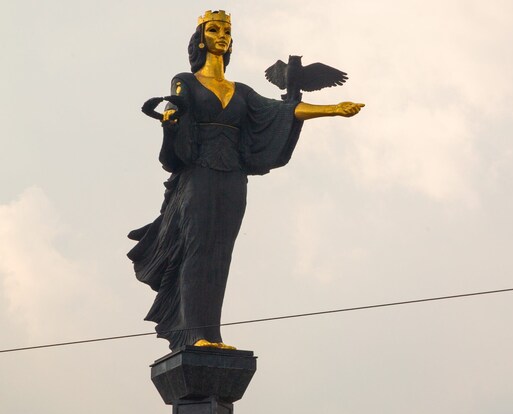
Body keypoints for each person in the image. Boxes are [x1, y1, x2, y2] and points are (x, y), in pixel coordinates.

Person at [128, 10, 363, 350]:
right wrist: (170, 117)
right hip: (199, 173)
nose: (221, 35)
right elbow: (177, 109)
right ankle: (192, 333)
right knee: (198, 248)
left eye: (226, 30)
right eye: (213, 29)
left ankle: (211, 334)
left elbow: (282, 111)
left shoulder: (242, 91)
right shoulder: (186, 80)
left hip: (233, 176)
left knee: (220, 254)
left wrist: (333, 109)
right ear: (200, 39)